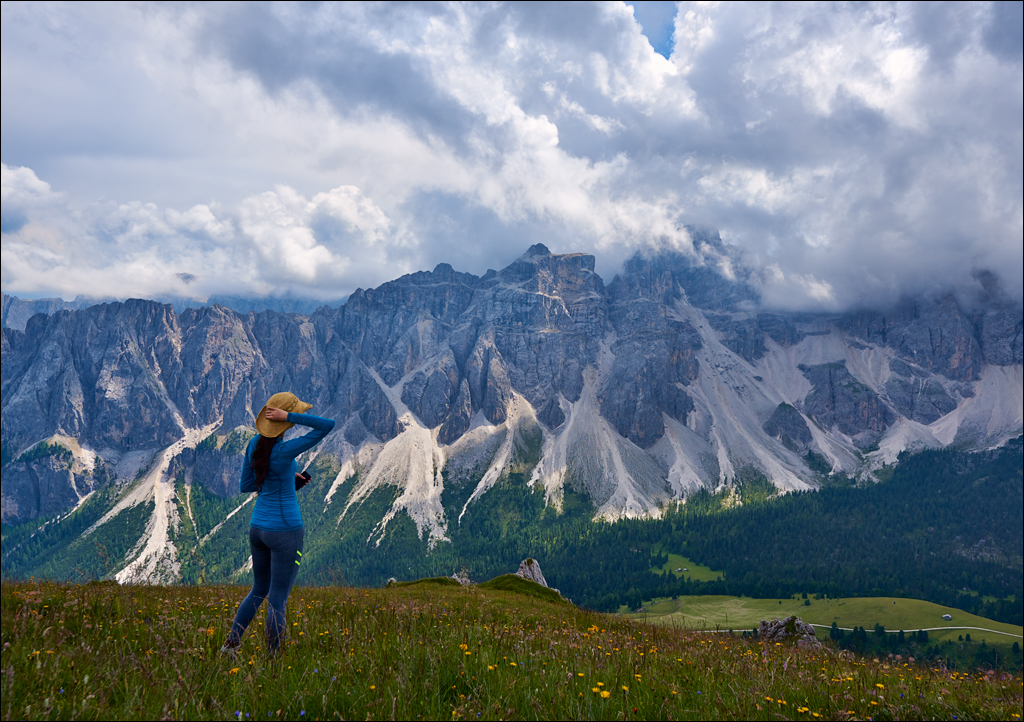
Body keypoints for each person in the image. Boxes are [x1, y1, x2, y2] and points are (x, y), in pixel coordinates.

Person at [222, 391, 335, 656]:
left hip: (257, 529)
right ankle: (273, 659)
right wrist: (290, 415)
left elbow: (247, 484)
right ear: (283, 422)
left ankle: (230, 646)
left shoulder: (254, 444)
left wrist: (286, 481)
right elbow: (326, 426)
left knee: (258, 589)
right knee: (278, 598)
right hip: (285, 531)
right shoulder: (284, 450)